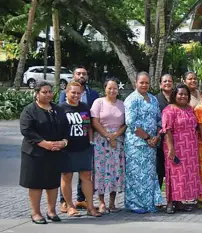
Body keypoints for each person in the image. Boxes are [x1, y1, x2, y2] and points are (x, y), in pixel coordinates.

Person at [20, 81, 69, 224]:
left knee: (52, 183)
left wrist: (64, 142)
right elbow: (26, 130)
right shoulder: (29, 110)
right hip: (34, 153)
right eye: (44, 92)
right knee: (36, 183)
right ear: (37, 94)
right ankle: (35, 213)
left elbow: (66, 128)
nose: (48, 94)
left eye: (50, 92)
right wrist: (44, 144)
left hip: (55, 152)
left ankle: (52, 211)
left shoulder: (58, 109)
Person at [58, 66, 99, 211]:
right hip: (67, 149)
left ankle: (90, 206)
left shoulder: (84, 107)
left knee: (86, 177)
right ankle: (69, 206)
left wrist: (90, 142)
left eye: (78, 93)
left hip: (84, 147)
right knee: (67, 176)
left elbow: (89, 126)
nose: (76, 95)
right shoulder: (60, 109)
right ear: (66, 92)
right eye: (73, 93)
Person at [124, 72, 165, 214]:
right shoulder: (131, 99)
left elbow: (159, 120)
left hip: (152, 144)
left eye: (147, 83)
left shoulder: (153, 99)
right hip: (136, 144)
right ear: (136, 83)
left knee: (149, 175)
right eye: (141, 82)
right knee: (136, 175)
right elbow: (131, 123)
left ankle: (150, 202)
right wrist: (147, 138)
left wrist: (156, 137)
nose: (144, 85)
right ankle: (135, 203)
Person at [161, 84, 202, 214]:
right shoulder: (169, 110)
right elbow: (167, 130)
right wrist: (171, 149)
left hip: (190, 147)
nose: (183, 96)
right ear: (174, 95)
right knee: (174, 174)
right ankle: (170, 203)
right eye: (180, 94)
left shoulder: (189, 109)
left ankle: (179, 202)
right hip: (176, 146)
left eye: (185, 94)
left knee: (184, 176)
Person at [90, 78, 126, 214]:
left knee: (116, 171)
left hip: (117, 141)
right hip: (101, 140)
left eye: (115, 88)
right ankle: (101, 202)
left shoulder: (122, 104)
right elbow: (94, 121)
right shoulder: (98, 102)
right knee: (101, 171)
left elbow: (125, 124)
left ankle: (112, 202)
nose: (112, 90)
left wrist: (115, 136)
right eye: (109, 88)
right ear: (105, 89)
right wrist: (107, 135)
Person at [155, 74, 174, 187]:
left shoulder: (177, 98)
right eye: (165, 81)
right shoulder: (155, 99)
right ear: (161, 84)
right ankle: (157, 200)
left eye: (170, 81)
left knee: (174, 170)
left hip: (175, 138)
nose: (167, 83)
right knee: (159, 171)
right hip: (160, 138)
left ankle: (174, 199)